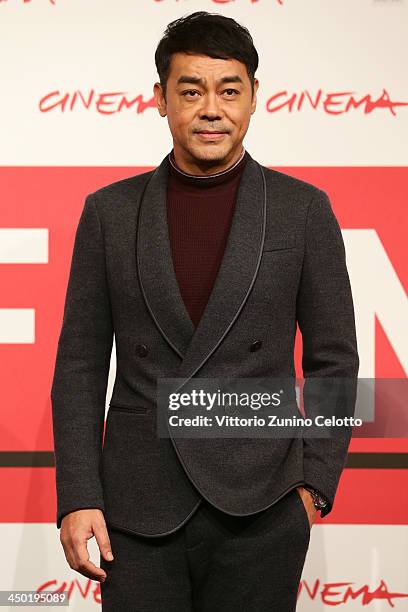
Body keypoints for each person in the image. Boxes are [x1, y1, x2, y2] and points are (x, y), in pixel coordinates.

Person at [51, 11, 359, 611]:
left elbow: (335, 361)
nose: (211, 108)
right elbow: (80, 366)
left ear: (253, 99)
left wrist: (315, 485)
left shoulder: (302, 210)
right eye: (190, 91)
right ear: (161, 99)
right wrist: (78, 494)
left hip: (263, 505)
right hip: (136, 509)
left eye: (229, 90)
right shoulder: (109, 213)